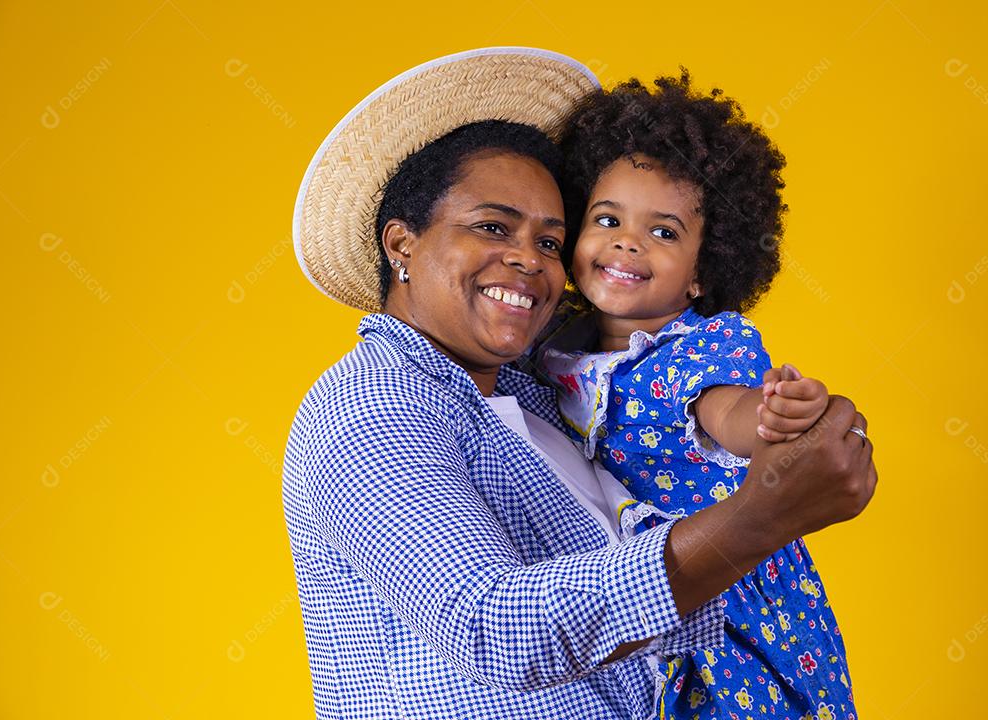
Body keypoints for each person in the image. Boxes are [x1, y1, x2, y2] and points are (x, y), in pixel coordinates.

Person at [284, 48, 876, 720]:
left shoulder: (546, 393)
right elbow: (497, 630)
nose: (526, 261)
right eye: (491, 227)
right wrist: (761, 516)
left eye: (548, 241)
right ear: (402, 246)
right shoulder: (372, 403)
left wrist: (789, 435)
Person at [538, 72, 855, 720]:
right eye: (607, 219)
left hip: (726, 604)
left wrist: (771, 416)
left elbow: (726, 412)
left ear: (702, 273)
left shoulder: (699, 350)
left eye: (664, 233)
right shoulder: (552, 348)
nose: (627, 240)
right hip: (639, 605)